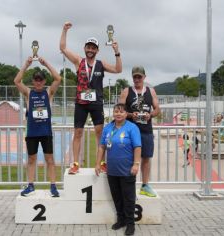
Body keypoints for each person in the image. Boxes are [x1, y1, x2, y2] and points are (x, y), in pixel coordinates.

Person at [60, 21, 122, 174]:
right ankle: (75, 163)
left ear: (97, 50)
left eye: (93, 48)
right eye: (88, 47)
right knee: (78, 133)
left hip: (96, 103)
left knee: (99, 132)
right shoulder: (78, 61)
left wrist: (117, 51)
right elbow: (62, 48)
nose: (90, 50)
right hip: (81, 103)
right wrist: (64, 30)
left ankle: (101, 163)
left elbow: (118, 70)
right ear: (85, 48)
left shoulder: (101, 64)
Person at [14, 56, 61, 197]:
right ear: (33, 81)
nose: (38, 82)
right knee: (31, 159)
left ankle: (53, 186)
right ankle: (30, 186)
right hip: (32, 133)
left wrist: (46, 63)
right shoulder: (29, 93)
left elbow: (58, 79)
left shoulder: (48, 93)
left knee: (50, 159)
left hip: (46, 132)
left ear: (44, 81)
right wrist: (26, 65)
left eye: (41, 79)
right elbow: (16, 81)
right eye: (36, 79)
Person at [95, 103, 141, 236]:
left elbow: (137, 147)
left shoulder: (132, 128)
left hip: (127, 170)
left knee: (129, 199)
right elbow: (102, 147)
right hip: (112, 170)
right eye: (116, 111)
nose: (118, 114)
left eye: (121, 112)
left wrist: (136, 164)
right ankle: (121, 220)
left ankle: (130, 224)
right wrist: (98, 163)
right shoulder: (108, 128)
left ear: (126, 114)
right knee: (117, 197)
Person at [119, 66, 160, 197]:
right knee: (129, 159)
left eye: (139, 77)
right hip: (130, 131)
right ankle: (130, 187)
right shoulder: (126, 91)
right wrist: (131, 115)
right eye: (135, 77)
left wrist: (151, 115)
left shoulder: (151, 91)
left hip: (146, 130)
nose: (137, 79)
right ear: (132, 77)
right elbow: (119, 110)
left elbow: (158, 109)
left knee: (146, 158)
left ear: (144, 77)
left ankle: (145, 185)